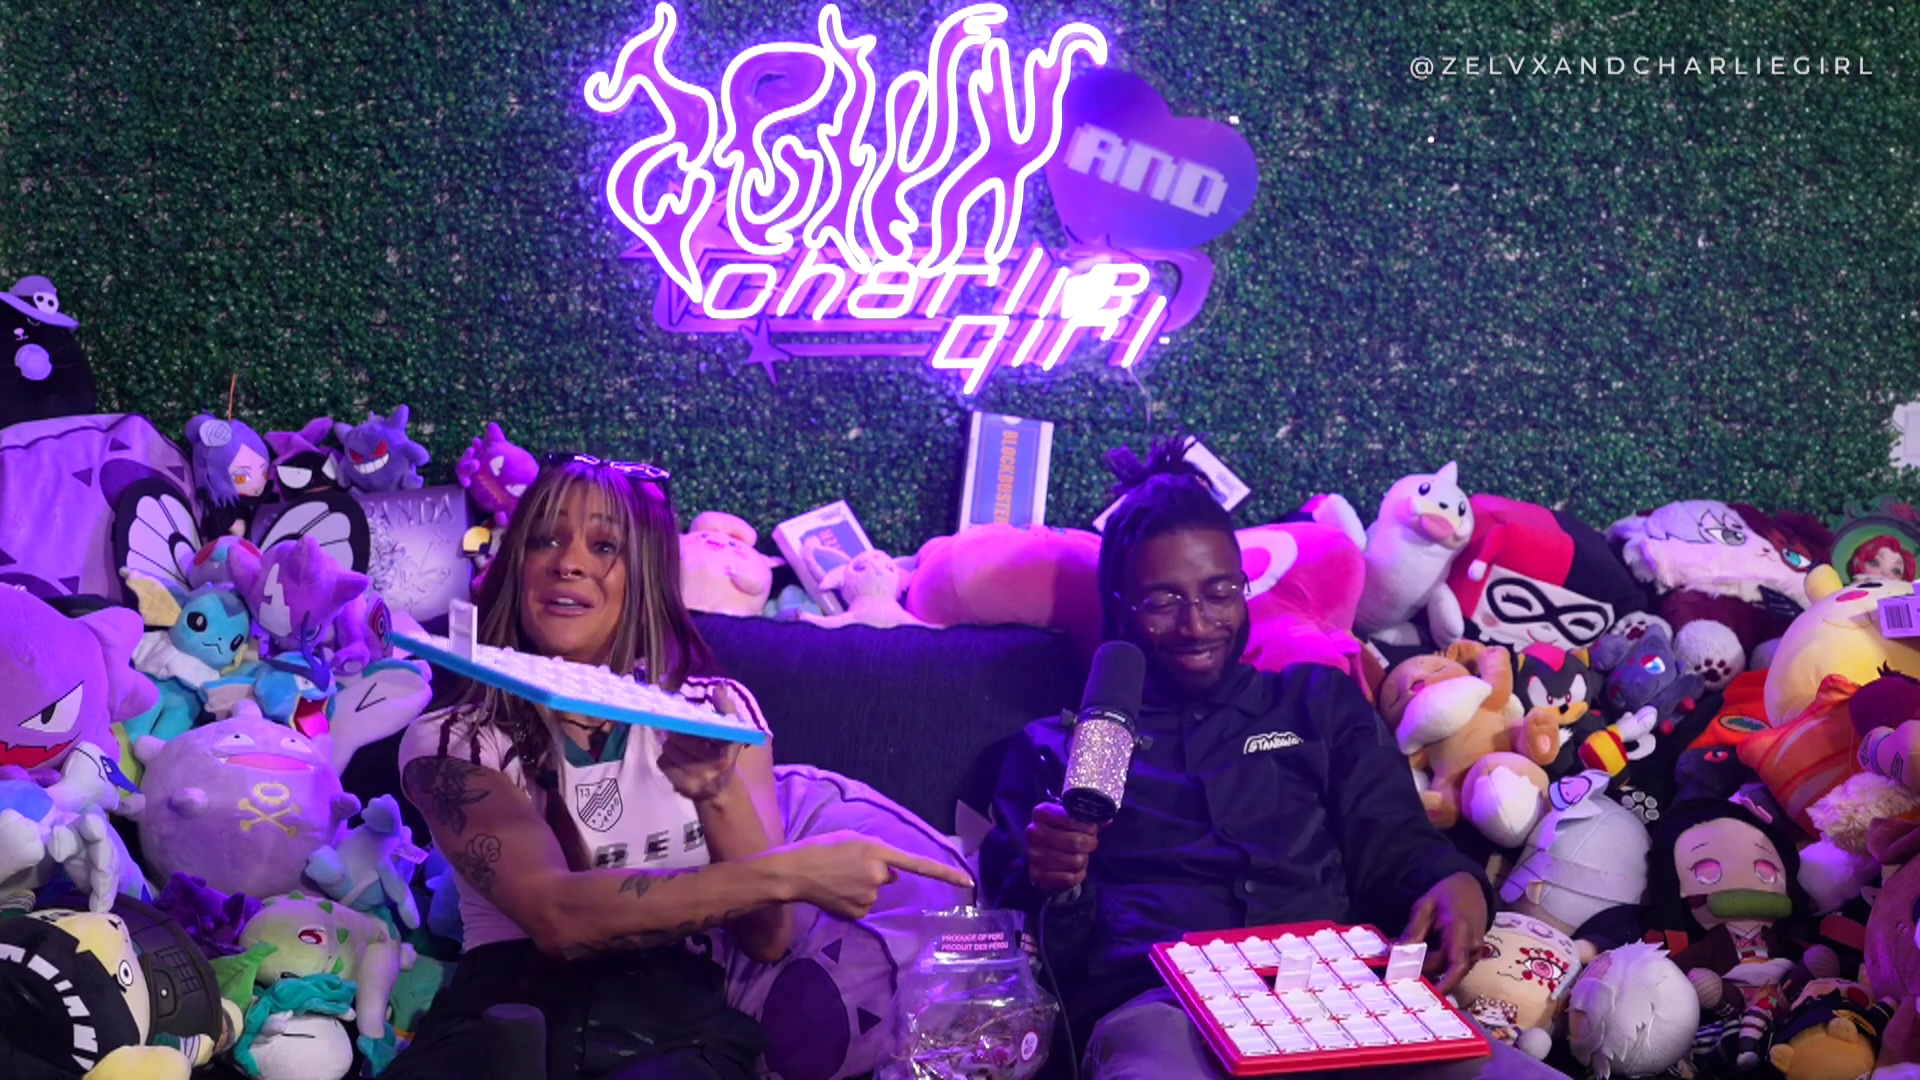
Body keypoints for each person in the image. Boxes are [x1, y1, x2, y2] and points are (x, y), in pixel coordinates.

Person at [978, 438, 1564, 1079]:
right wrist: (1054, 882)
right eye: (1164, 601)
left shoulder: (1316, 703)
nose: (1197, 624)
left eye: (1219, 591)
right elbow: (1024, 955)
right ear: (1120, 607)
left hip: (1337, 996)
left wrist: (1454, 882)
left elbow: (1395, 844)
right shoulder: (1056, 749)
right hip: (1162, 1008)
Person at [386, 456, 971, 1080]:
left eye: (604, 545)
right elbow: (556, 918)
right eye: (545, 540)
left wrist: (718, 796)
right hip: (503, 1019)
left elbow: (767, 939)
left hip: (675, 1033)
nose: (568, 562)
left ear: (645, 572)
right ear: (517, 566)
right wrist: (794, 871)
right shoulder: (452, 737)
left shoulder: (718, 713)